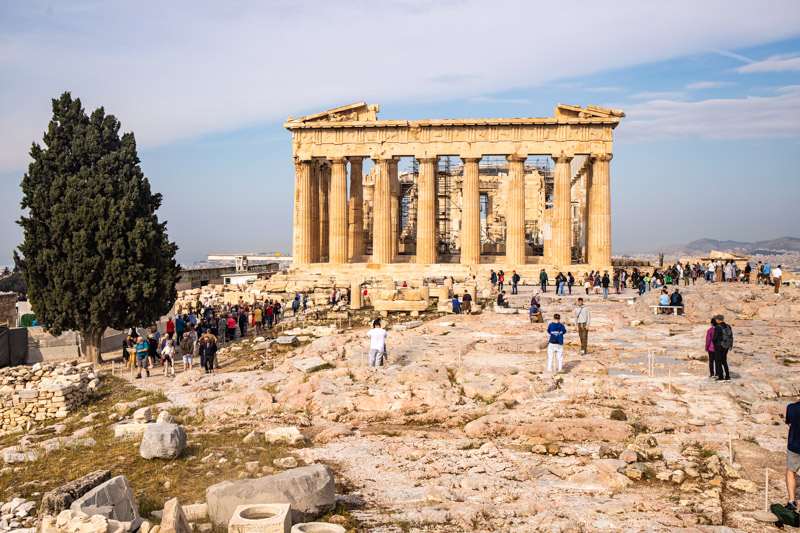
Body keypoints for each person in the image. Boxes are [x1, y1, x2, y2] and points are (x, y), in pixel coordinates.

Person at [785, 399, 800, 511]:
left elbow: (789, 423)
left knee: (791, 471)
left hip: (794, 444)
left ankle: (792, 501)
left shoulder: (791, 407)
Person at [712, 314, 732, 381]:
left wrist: (714, 343)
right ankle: (727, 376)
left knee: (718, 361)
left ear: (718, 320)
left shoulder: (718, 327)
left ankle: (720, 376)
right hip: (726, 346)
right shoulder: (728, 326)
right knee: (724, 361)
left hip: (719, 346)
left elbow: (715, 338)